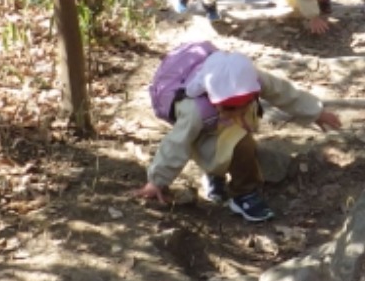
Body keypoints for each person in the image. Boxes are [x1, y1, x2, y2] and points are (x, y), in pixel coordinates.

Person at [136, 49, 343, 223]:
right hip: (203, 136)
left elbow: (283, 92)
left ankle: (216, 174)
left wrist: (315, 112)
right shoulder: (194, 111)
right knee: (241, 144)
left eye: (244, 104)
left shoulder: (251, 78)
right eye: (228, 107)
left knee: (238, 138)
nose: (236, 111)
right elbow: (177, 143)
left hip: (225, 129)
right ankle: (244, 193)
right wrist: (157, 181)